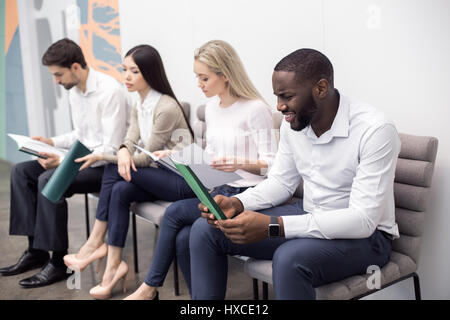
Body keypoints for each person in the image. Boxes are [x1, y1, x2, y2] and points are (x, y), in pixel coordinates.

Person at [189, 48, 401, 300]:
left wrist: (274, 227)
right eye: (277, 96)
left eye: (287, 96)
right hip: (309, 215)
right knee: (206, 230)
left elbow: (363, 221)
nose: (279, 107)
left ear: (320, 89)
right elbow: (281, 182)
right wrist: (238, 202)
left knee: (289, 259)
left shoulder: (375, 130)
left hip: (367, 238)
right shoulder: (295, 122)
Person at [124, 40, 277, 300]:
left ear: (225, 75)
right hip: (219, 189)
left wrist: (241, 163)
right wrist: (175, 155)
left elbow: (273, 166)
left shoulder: (255, 109)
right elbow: (213, 158)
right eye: (197, 77)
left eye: (204, 77)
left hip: (248, 195)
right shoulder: (214, 110)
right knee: (184, 238)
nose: (199, 84)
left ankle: (150, 287)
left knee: (173, 213)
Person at [62, 44, 195, 300]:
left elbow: (144, 158)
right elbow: (130, 139)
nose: (126, 77)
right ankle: (113, 268)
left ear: (150, 73)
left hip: (184, 181)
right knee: (121, 189)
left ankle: (95, 242)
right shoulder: (139, 103)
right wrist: (122, 149)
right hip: (159, 176)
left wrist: (107, 155)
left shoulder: (165, 107)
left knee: (113, 167)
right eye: (124, 70)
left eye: (134, 71)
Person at [0, 38, 129, 288]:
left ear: (76, 67)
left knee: (49, 180)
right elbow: (80, 136)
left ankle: (58, 264)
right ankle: (36, 251)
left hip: (106, 168)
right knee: (21, 172)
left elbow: (111, 147)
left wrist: (62, 162)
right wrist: (50, 141)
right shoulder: (76, 92)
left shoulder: (109, 91)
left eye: (58, 74)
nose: (56, 81)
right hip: (81, 161)